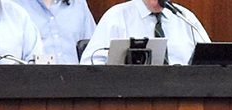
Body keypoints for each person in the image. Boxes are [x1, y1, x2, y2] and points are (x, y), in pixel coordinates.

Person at [80, 0, 210, 66]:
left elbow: (211, 62)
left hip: (184, 106)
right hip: (132, 104)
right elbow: (89, 66)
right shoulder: (117, 17)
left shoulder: (185, 18)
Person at [13, 0, 96, 64]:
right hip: (34, 82)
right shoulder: (14, 7)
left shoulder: (78, 4)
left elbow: (93, 51)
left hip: (78, 81)